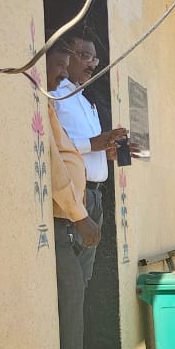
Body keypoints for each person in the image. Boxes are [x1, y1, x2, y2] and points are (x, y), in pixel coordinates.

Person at [45, 43, 108, 349]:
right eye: (58, 66)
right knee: (70, 288)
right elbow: (55, 166)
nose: (62, 75)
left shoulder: (71, 100)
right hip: (65, 213)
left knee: (77, 287)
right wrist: (80, 215)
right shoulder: (51, 100)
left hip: (77, 206)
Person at [51, 32, 128, 289]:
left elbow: (86, 146)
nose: (92, 64)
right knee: (69, 281)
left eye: (95, 59)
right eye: (84, 56)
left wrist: (107, 151)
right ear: (66, 57)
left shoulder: (84, 99)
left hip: (95, 195)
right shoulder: (56, 95)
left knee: (83, 279)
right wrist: (94, 143)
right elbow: (54, 147)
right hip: (72, 196)